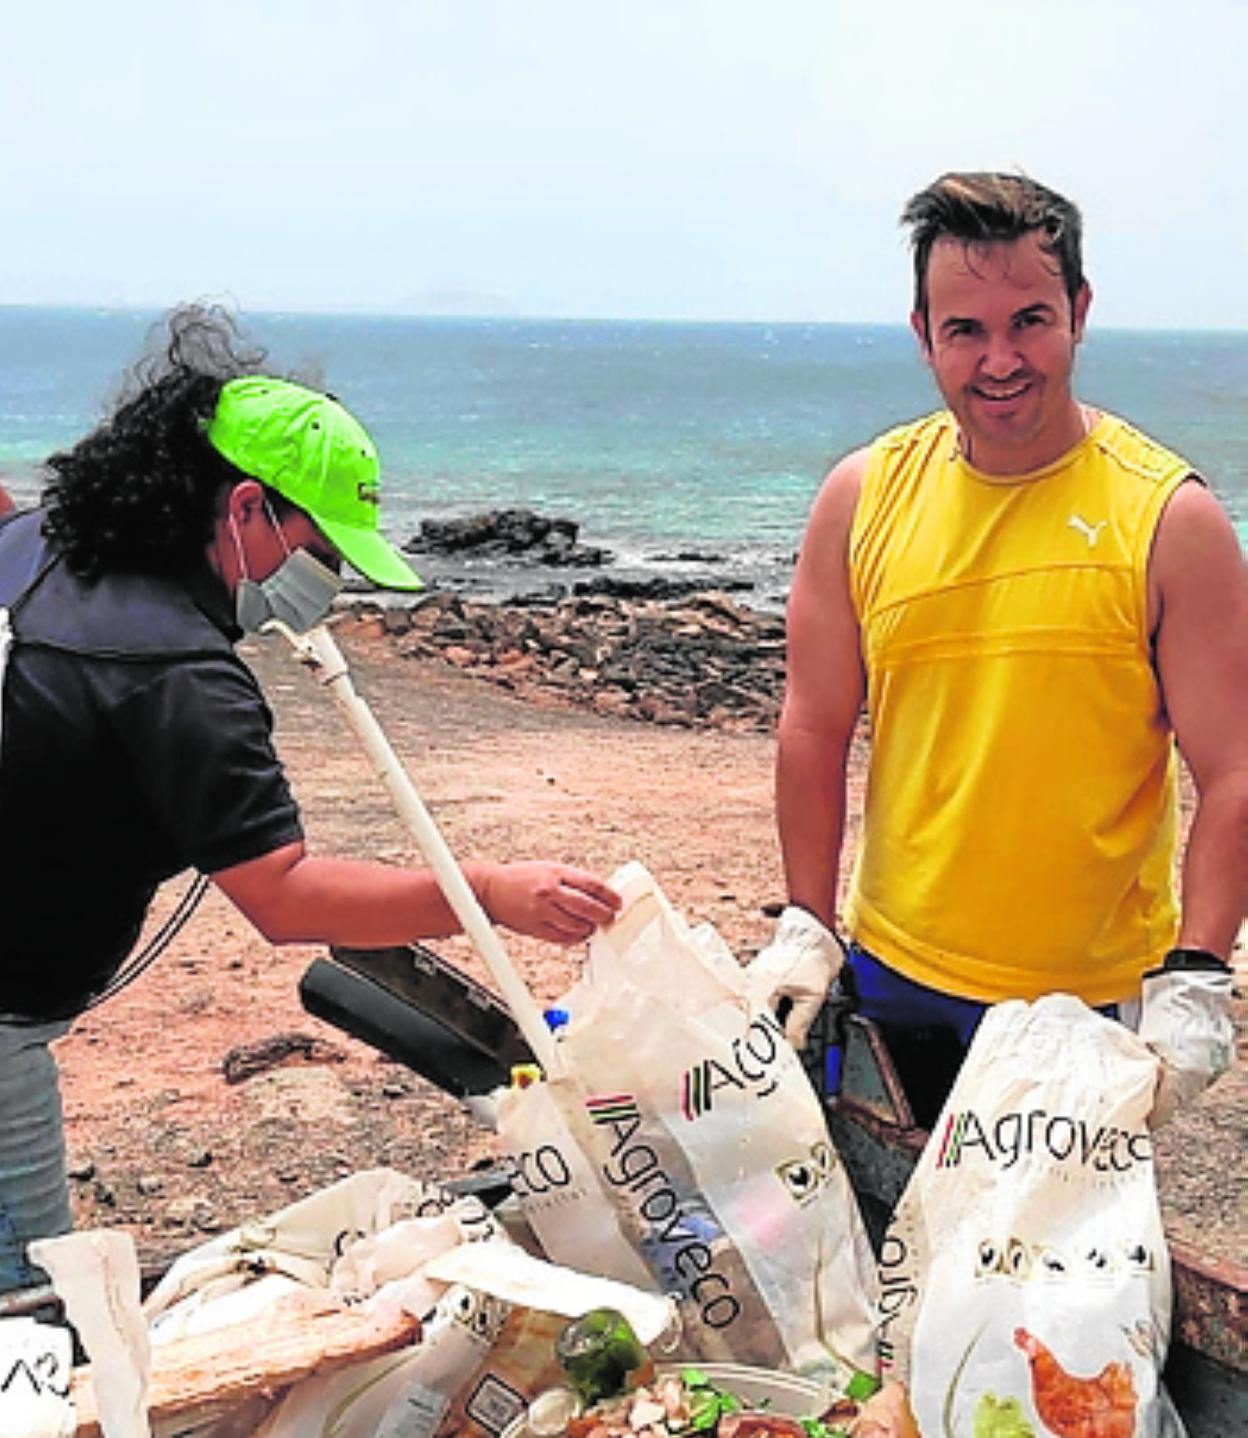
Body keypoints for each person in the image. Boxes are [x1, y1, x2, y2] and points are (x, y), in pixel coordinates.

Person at [0, 308, 620, 1289]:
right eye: (322, 551)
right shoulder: (181, 679)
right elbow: (285, 896)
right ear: (247, 508)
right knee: (33, 1308)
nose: (328, 581)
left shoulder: (42, 540)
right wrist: (488, 892)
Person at [749, 171, 1248, 1130]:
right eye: (965, 330)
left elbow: (1232, 769)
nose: (1001, 360)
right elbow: (812, 725)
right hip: (893, 979)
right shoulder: (860, 499)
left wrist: (1195, 974)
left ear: (1080, 313)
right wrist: (806, 921)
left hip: (1088, 1005)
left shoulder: (1169, 520)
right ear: (923, 334)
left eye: (1030, 321)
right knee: (883, 1222)